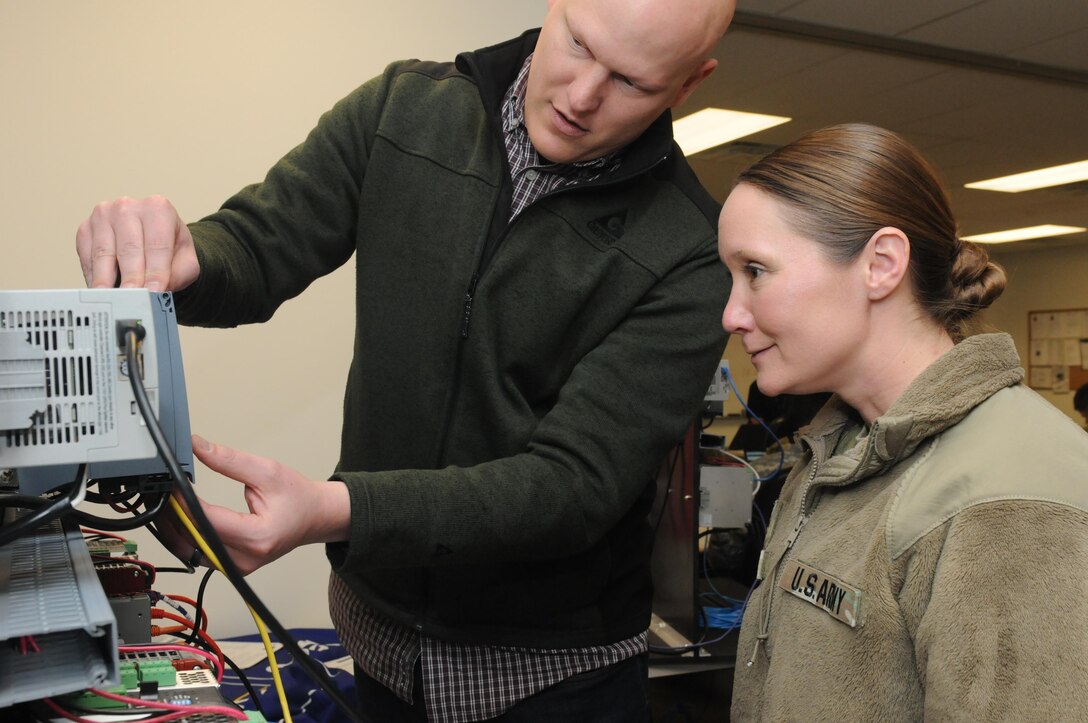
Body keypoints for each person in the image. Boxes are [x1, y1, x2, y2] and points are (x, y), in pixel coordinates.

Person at [75, 1, 735, 720]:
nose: (582, 97)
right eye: (578, 44)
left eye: (631, 82)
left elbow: (569, 488)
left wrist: (336, 510)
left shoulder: (692, 253)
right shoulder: (404, 109)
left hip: (553, 680)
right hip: (380, 642)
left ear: (688, 84)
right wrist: (185, 255)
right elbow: (261, 244)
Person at [717, 123, 1088, 720]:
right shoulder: (839, 451)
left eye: (755, 271)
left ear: (881, 265)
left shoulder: (1006, 502)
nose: (732, 313)